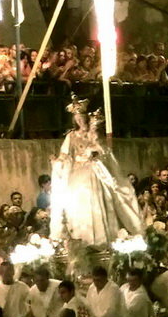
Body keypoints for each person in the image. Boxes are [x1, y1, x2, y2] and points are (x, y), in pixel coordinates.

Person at [49, 96, 143, 244]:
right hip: (77, 174)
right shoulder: (71, 136)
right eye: (77, 119)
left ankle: (101, 237)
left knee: (98, 200)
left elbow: (102, 150)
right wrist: (57, 161)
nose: (80, 121)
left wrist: (95, 152)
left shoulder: (93, 133)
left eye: (82, 118)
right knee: (80, 203)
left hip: (94, 170)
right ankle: (81, 237)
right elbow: (65, 154)